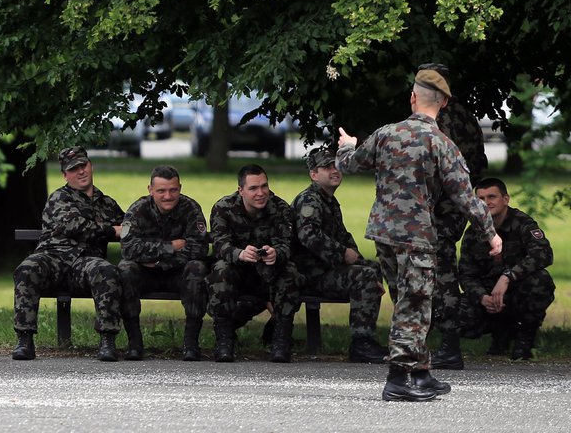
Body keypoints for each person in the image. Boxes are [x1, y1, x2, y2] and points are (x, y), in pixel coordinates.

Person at [336, 69, 502, 402]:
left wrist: (347, 146)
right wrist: (490, 233)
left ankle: (421, 373)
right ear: (443, 104)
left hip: (383, 234)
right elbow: (465, 197)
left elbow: (350, 165)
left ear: (413, 98)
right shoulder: (443, 144)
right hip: (417, 237)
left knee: (411, 301)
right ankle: (398, 379)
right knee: (415, 305)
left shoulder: (386, 134)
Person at [12, 146, 124, 361]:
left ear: (91, 166)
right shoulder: (59, 198)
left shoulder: (107, 204)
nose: (80, 172)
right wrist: (111, 230)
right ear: (65, 174)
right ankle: (24, 340)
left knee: (107, 271)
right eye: (73, 169)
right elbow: (75, 226)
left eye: (83, 166)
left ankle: (108, 341)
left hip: (86, 262)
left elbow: (129, 226)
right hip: (53, 258)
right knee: (27, 269)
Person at [418, 63, 489, 370]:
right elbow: (480, 163)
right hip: (456, 205)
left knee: (440, 274)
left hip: (437, 208)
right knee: (439, 271)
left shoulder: (437, 120)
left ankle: (448, 344)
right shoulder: (467, 117)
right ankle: (442, 342)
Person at [292, 147, 387, 363]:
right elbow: (310, 237)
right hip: (310, 275)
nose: (334, 171)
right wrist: (342, 254)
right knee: (363, 277)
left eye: (336, 165)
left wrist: (365, 265)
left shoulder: (328, 200)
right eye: (327, 167)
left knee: (372, 269)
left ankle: (367, 339)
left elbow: (344, 237)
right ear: (313, 174)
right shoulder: (310, 200)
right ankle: (360, 343)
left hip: (326, 271)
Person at [206, 164, 301, 363]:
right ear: (241, 190)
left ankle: (281, 340)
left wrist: (276, 253)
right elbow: (220, 244)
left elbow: (287, 244)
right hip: (237, 272)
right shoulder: (223, 208)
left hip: (267, 272)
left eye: (264, 186)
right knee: (221, 269)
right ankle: (224, 340)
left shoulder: (280, 208)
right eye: (253, 188)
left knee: (290, 271)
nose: (261, 193)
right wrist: (239, 253)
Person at [118, 165, 210, 361]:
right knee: (126, 269)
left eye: (173, 190)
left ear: (180, 188)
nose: (168, 196)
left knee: (197, 268)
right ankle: (134, 343)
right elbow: (128, 249)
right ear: (150, 190)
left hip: (177, 273)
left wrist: (159, 260)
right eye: (161, 190)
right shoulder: (137, 210)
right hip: (146, 274)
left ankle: (191, 344)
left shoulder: (191, 209)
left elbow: (198, 249)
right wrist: (169, 247)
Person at [458, 178, 555, 360]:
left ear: (506, 199)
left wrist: (507, 277)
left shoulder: (522, 223)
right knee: (454, 313)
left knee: (541, 281)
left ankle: (524, 337)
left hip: (516, 290)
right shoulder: (473, 232)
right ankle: (500, 333)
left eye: (492, 196)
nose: (486, 203)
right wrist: (482, 297)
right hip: (488, 294)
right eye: (481, 199)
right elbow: (466, 274)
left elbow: (543, 254)